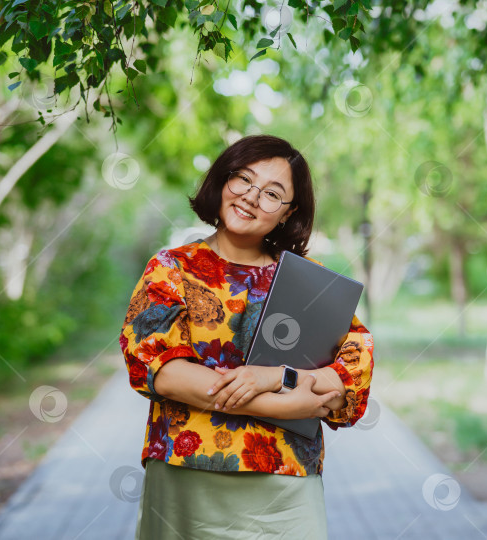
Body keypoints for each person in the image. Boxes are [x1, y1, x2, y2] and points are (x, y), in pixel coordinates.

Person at [119, 134, 374, 539]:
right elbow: (162, 372)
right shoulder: (171, 269)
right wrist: (287, 405)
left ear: (289, 213)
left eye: (273, 193)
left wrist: (271, 377)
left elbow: (347, 378)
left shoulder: (310, 282)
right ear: (223, 181)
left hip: (285, 483)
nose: (252, 197)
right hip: (188, 475)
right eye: (243, 179)